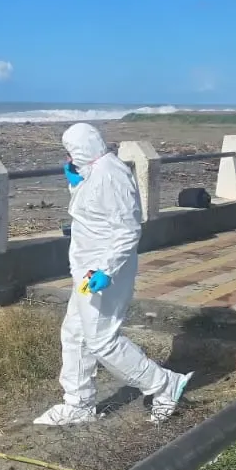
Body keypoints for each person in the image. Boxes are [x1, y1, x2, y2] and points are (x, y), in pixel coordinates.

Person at [34, 122, 193, 426]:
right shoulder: (93, 169)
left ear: (83, 147)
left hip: (103, 270)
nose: (69, 156)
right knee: (75, 332)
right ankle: (78, 403)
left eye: (71, 151)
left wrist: (107, 269)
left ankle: (163, 384)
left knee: (101, 340)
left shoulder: (112, 173)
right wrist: (76, 182)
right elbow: (90, 209)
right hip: (86, 271)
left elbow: (127, 228)